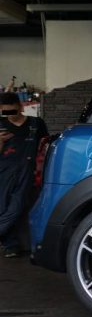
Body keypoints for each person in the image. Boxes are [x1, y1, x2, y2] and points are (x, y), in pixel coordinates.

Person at [0, 92, 48, 258]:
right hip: (3, 171)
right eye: (5, 112)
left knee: (17, 206)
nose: (9, 115)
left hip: (27, 170)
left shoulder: (36, 123)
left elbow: (44, 146)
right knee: (2, 207)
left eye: (12, 110)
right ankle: (10, 245)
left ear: (20, 106)